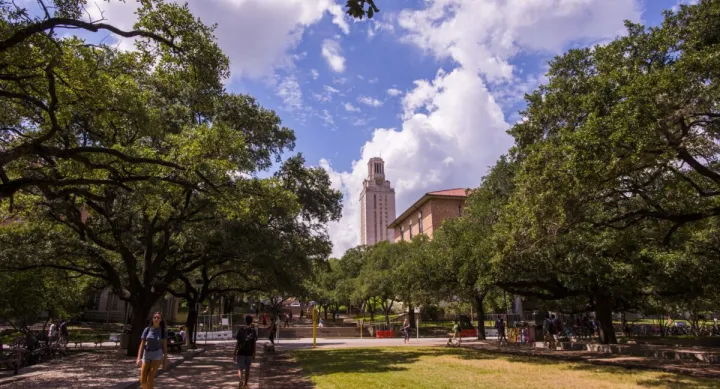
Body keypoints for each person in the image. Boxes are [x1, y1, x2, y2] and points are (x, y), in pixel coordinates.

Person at [136, 312, 168, 389]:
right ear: (152, 319)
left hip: (157, 354)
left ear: (161, 320)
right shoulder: (147, 329)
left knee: (150, 378)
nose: (156, 319)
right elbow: (142, 344)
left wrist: (165, 359)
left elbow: (164, 345)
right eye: (155, 317)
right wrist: (138, 358)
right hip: (146, 354)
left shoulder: (163, 331)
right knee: (143, 380)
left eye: (158, 318)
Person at [234, 315, 257, 389]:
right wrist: (254, 353)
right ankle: (246, 385)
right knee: (248, 369)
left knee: (240, 368)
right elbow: (254, 343)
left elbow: (238, 342)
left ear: (245, 321)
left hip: (241, 352)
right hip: (249, 352)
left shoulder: (241, 330)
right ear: (251, 321)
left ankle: (241, 380)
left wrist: (234, 352)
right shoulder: (253, 331)